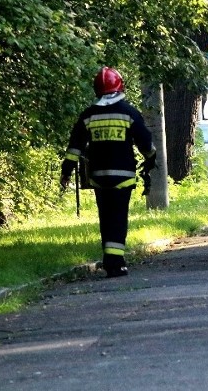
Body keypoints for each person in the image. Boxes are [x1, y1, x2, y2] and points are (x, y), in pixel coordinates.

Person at [60, 66, 157, 277]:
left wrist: (66, 171)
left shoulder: (88, 115)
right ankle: (116, 262)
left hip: (98, 176)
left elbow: (74, 147)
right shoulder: (129, 113)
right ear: (119, 86)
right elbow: (146, 142)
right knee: (118, 217)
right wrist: (151, 158)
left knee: (105, 217)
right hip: (123, 176)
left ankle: (109, 260)